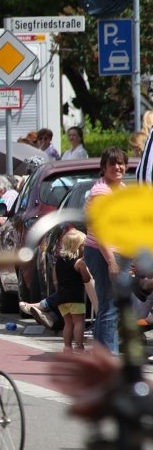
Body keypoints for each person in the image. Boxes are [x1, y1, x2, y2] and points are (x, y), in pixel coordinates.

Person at [83, 146, 128, 353]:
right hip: (103, 253)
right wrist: (111, 261)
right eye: (113, 164)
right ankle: (110, 358)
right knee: (111, 308)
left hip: (114, 252)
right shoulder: (101, 192)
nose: (118, 167)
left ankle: (102, 355)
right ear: (104, 167)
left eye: (121, 163)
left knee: (108, 307)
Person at [56, 228, 91, 352]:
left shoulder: (59, 260)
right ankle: (79, 346)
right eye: (84, 246)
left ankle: (67, 346)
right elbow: (86, 278)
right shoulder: (79, 262)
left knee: (68, 323)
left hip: (61, 296)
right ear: (78, 247)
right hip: (75, 296)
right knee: (79, 322)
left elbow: (54, 278)